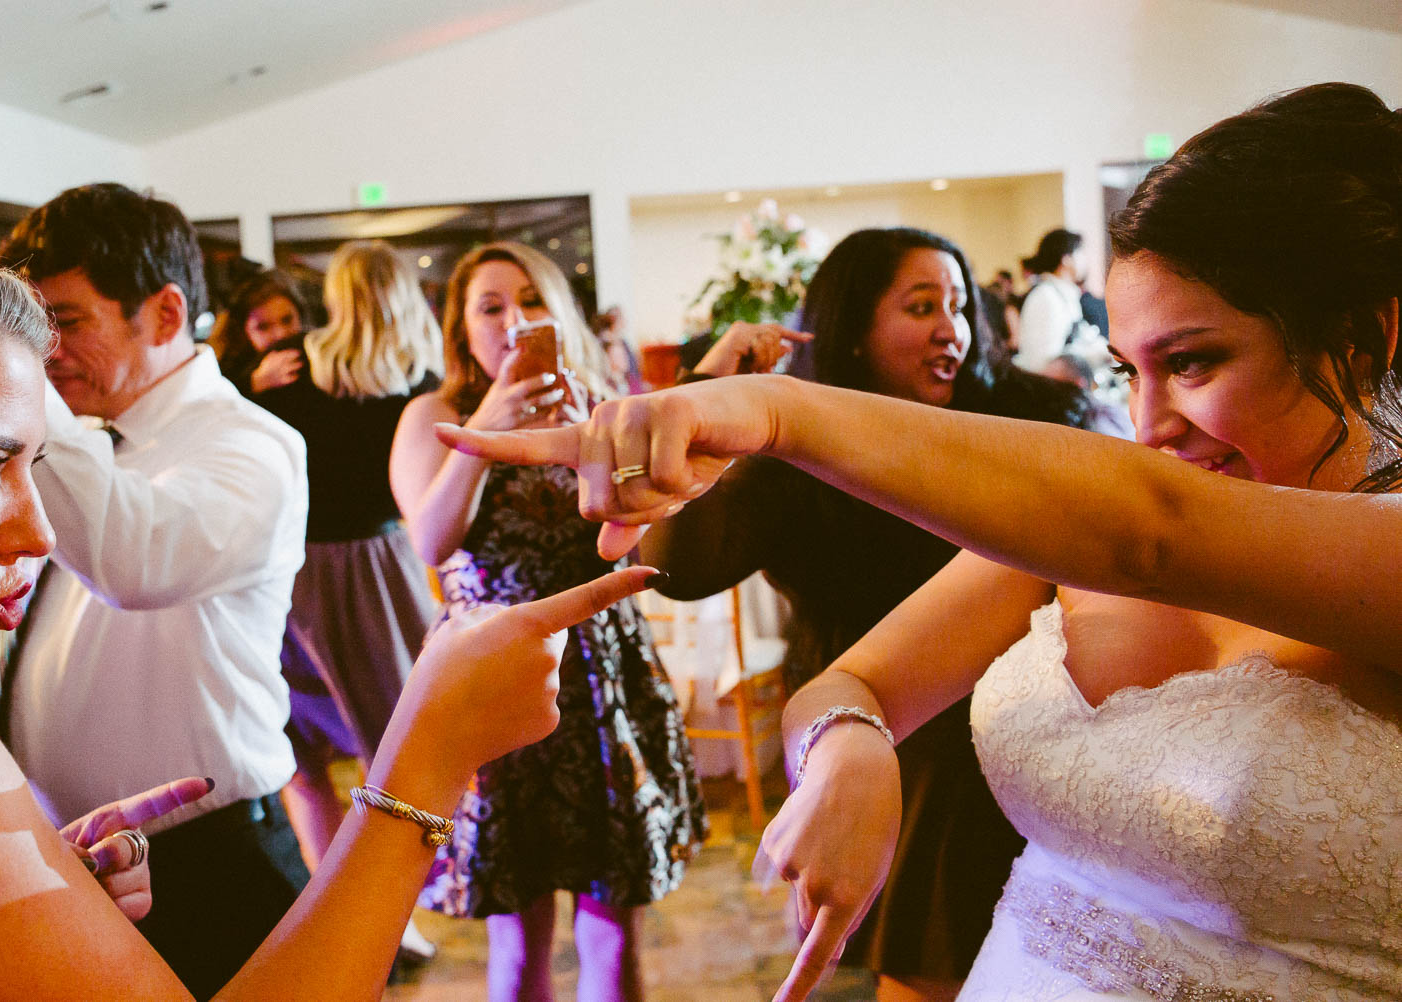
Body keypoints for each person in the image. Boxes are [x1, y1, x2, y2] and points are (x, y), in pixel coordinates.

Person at [438, 82, 1402, 1001]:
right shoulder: (1057, 537)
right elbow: (849, 682)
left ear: (1363, 338)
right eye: (1130, 371)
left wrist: (774, 409)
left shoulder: (1288, 542)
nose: (1149, 423)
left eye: (1192, 363)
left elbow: (1151, 533)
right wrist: (848, 744)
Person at [0, 228, 662, 1000]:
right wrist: (426, 765)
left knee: (609, 915)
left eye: (29, 463)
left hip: (214, 835)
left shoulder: (251, 441)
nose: (39, 533)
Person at [640, 228, 1088, 1002]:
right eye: (922, 306)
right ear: (851, 329)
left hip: (1018, 723)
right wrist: (700, 400)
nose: (952, 326)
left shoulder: (1016, 417)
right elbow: (676, 567)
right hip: (878, 728)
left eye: (958, 304)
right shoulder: (799, 453)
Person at [0, 183, 312, 998]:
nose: (44, 351)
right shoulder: (86, 439)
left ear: (165, 315)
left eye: (63, 322)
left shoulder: (254, 447)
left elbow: (133, 560)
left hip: (214, 861)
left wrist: (14, 382)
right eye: (30, 328)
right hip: (80, 858)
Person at [390, 240, 707, 1002]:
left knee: (613, 931)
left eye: (530, 302)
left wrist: (592, 450)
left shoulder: (604, 408)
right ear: (462, 329)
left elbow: (648, 541)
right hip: (495, 675)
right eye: (490, 308)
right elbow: (432, 540)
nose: (513, 321)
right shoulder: (434, 415)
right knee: (518, 938)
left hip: (602, 673)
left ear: (558, 311)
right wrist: (489, 427)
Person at [251, 240, 443, 961]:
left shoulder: (294, 363)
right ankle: (392, 919)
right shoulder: (417, 381)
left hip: (288, 572)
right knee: (391, 754)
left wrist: (250, 379)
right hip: (376, 572)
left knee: (300, 760)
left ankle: (339, 918)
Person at [206, 267, 309, 396]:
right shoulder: (222, 376)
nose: (281, 334)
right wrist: (255, 382)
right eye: (263, 327)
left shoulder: (318, 355)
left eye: (287, 320)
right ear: (243, 332)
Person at [1014, 228, 1099, 373]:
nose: (1085, 259)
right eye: (1081, 253)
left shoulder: (1063, 294)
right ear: (1066, 259)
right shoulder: (1046, 297)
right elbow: (1043, 362)